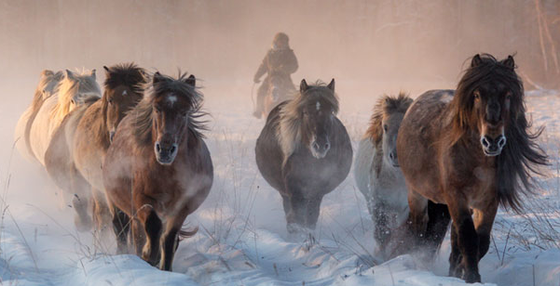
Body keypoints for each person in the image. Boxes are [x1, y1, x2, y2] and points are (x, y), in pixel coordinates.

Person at [253, 32, 299, 118]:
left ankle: (295, 113)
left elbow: (295, 66)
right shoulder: (270, 54)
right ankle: (259, 110)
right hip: (270, 78)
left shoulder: (289, 53)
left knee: (293, 94)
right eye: (280, 41)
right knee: (260, 91)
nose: (282, 43)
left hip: (285, 79)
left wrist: (284, 69)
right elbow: (263, 66)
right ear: (275, 42)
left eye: (284, 42)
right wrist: (257, 76)